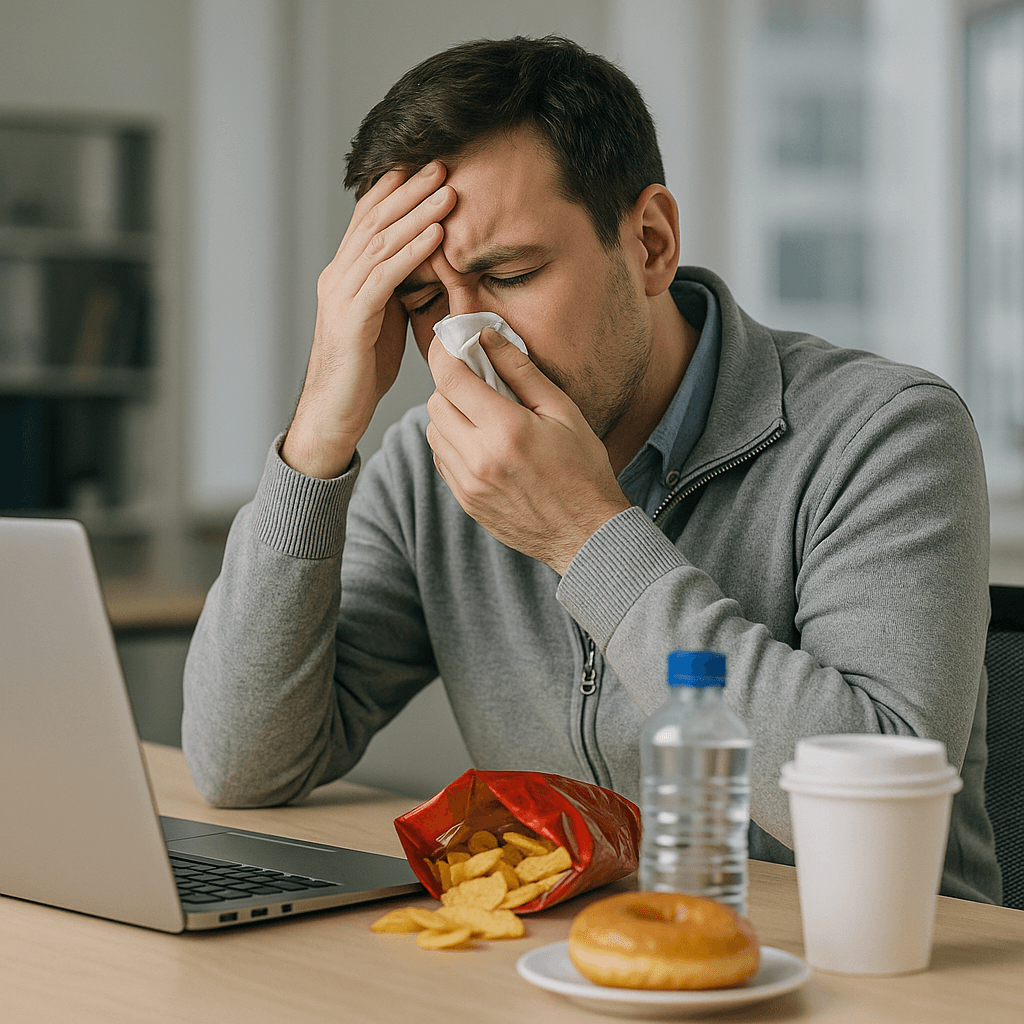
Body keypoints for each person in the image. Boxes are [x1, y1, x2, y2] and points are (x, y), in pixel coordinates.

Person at [182, 35, 1001, 904]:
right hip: (574, 971)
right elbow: (243, 764)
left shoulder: (887, 433)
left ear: (649, 242)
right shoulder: (429, 471)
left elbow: (872, 817)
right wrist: (318, 434)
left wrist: (585, 535)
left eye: (510, 273)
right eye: (420, 300)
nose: (467, 343)